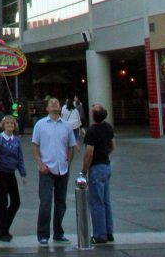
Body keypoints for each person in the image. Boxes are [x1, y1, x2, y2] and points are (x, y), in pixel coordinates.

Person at [31, 97, 77, 245]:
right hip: (46, 169)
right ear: (47, 108)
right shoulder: (40, 125)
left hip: (62, 169)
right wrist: (40, 163)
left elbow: (71, 146)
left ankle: (58, 232)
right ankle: (43, 234)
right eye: (51, 103)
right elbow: (34, 145)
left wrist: (68, 163)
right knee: (45, 202)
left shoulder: (67, 126)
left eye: (56, 102)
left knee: (61, 202)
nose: (54, 104)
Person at [0, 114, 27, 243]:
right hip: (0, 173)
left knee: (16, 202)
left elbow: (20, 157)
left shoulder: (16, 140)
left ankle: (5, 227)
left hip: (11, 173)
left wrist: (23, 174)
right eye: (7, 123)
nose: (10, 125)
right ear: (3, 125)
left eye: (12, 123)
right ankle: (1, 232)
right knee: (3, 202)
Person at [81, 104, 115, 244]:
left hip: (96, 168)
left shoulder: (92, 131)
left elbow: (89, 153)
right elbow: (113, 145)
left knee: (96, 202)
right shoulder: (108, 128)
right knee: (106, 201)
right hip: (106, 166)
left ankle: (99, 234)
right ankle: (108, 232)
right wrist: (105, 154)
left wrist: (84, 170)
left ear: (93, 115)